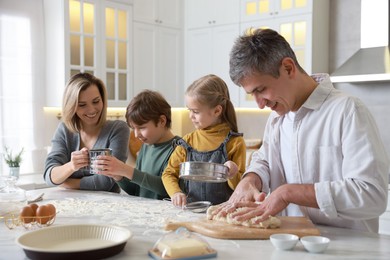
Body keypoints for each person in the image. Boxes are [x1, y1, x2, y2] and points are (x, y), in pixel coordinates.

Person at [212, 28, 389, 233]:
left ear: (288, 68)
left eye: (261, 90)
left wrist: (289, 193)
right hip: (290, 244)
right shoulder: (277, 118)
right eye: (253, 94)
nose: (260, 104)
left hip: (345, 249)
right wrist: (250, 179)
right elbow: (266, 160)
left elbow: (372, 196)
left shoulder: (347, 110)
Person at [162, 74, 247, 207]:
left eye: (195, 111)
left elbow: (241, 188)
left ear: (217, 110)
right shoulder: (187, 141)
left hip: (223, 213)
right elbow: (168, 173)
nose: (191, 116)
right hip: (191, 211)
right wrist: (175, 193)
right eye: (189, 110)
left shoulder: (235, 142)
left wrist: (233, 174)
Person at [44, 73, 129, 193]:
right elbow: (49, 176)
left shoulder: (117, 129)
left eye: (96, 101)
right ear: (72, 106)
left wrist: (67, 182)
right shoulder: (64, 130)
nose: (91, 110)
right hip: (70, 203)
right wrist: (71, 166)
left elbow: (106, 181)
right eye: (82, 105)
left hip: (108, 206)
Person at [93, 90, 180, 199]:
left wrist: (126, 170)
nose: (136, 134)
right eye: (133, 128)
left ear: (162, 121)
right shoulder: (145, 147)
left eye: (142, 128)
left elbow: (168, 189)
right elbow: (136, 191)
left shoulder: (179, 149)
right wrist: (119, 176)